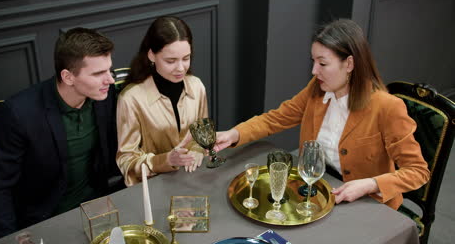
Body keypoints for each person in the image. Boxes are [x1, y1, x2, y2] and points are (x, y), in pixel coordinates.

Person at [214, 19, 430, 210]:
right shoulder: (317, 89)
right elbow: (276, 118)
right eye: (314, 61)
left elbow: (418, 171)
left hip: (368, 204)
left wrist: (371, 184)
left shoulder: (387, 107)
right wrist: (234, 134)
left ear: (349, 64)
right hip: (316, 191)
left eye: (323, 63)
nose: (314, 71)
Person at [0, 28, 119, 241]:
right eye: (98, 74)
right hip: (43, 221)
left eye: (109, 70)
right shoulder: (19, 113)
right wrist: (8, 239)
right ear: (67, 76)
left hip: (96, 211)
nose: (110, 80)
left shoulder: (104, 95)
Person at [116, 16, 208, 186]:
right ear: (151, 55)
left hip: (195, 179)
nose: (180, 68)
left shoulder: (197, 86)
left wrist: (197, 151)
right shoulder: (131, 99)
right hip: (153, 189)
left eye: (186, 58)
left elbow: (202, 138)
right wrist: (165, 160)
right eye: (170, 61)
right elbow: (126, 161)